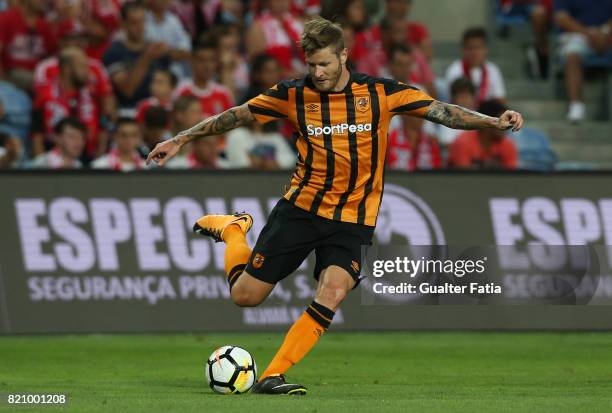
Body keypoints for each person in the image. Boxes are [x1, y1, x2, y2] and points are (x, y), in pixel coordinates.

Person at [146, 16, 524, 394]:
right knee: (246, 296)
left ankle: (273, 374)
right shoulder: (293, 95)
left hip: (354, 220)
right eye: (311, 65)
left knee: (334, 290)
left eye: (324, 63)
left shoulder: (380, 93)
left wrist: (493, 121)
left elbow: (442, 111)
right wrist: (181, 139)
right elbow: (235, 115)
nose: (318, 72)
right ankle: (232, 230)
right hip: (301, 210)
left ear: (344, 55)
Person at [103, 0, 170, 110]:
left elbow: (167, 87)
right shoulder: (113, 53)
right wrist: (147, 57)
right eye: (134, 22)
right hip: (128, 112)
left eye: (142, 21)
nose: (140, 27)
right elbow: (127, 90)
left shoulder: (156, 49)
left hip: (158, 111)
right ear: (123, 24)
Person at [555, 0, 612, 123]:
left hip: (606, 35)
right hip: (576, 34)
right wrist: (589, 34)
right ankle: (576, 106)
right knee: (572, 53)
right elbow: (561, 18)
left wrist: (605, 31)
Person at [0, 0, 57, 90]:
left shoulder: (44, 25)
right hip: (12, 73)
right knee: (37, 82)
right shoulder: (7, 18)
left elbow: (53, 56)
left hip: (38, 73)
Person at [448, 100, 519, 170]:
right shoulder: (463, 143)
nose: (506, 126)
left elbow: (511, 178)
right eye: (503, 122)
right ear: (489, 123)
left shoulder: (508, 145)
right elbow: (462, 177)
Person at [446, 27, 507, 106]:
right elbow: (453, 102)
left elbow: (500, 101)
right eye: (470, 48)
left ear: (486, 49)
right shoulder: (454, 70)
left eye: (478, 48)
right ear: (463, 49)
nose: (474, 52)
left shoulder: (493, 69)